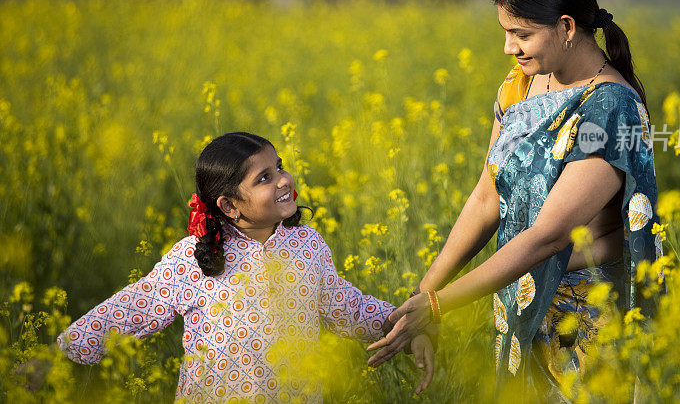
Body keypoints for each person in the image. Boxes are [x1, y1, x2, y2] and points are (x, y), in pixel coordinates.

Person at [367, 0, 660, 399]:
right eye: (506, 32)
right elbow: (486, 201)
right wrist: (421, 299)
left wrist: (439, 305)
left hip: (584, 330)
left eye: (521, 34)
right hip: (520, 312)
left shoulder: (609, 109)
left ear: (566, 27)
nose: (509, 47)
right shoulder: (519, 86)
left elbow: (549, 235)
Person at [56, 132, 434, 402]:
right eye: (264, 178)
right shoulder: (194, 258)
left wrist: (406, 326)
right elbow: (132, 308)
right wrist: (59, 357)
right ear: (229, 206)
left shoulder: (307, 245)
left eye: (279, 167)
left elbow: (345, 306)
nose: (284, 179)